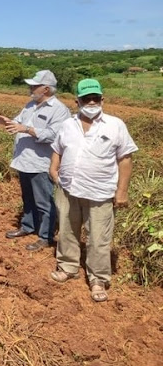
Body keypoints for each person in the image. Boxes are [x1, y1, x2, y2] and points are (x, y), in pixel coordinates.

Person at [49, 78, 137, 303]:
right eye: (86, 98)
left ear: (102, 99)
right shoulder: (68, 124)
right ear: (76, 101)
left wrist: (122, 192)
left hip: (100, 192)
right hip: (68, 189)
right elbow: (57, 149)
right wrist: (53, 168)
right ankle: (68, 267)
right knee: (67, 230)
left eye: (95, 98)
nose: (91, 102)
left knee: (98, 238)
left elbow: (125, 159)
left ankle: (98, 279)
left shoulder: (115, 125)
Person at [0, 70, 71, 251]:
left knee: (44, 201)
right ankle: (28, 226)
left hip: (41, 163)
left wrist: (27, 129)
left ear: (46, 89)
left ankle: (45, 236)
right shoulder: (30, 105)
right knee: (28, 198)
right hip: (24, 161)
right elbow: (18, 122)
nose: (31, 88)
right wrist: (7, 122)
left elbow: (55, 135)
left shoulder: (59, 110)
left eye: (34, 86)